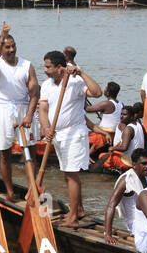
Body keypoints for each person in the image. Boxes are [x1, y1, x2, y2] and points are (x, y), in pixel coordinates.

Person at [37, 51, 102, 227]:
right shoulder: (46, 85)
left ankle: (73, 217)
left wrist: (80, 73)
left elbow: (97, 92)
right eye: (45, 66)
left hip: (75, 133)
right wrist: (45, 128)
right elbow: (43, 109)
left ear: (60, 68)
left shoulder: (75, 82)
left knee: (72, 175)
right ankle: (78, 209)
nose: (45, 70)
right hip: (57, 135)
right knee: (67, 174)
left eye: (48, 67)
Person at [0, 22, 39, 201]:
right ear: (1, 49)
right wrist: (2, 36)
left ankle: (33, 190)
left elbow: (34, 94)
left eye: (13, 46)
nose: (11, 50)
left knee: (30, 152)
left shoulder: (27, 65)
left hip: (23, 107)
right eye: (7, 47)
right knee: (4, 152)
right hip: (3, 108)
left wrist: (30, 115)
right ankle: (9, 192)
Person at [104, 148, 147, 243]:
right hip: (135, 224)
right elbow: (111, 206)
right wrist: (108, 234)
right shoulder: (126, 180)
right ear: (134, 165)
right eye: (144, 164)